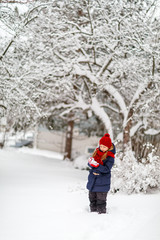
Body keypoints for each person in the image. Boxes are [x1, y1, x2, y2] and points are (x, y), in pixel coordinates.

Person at [86, 133, 116, 214]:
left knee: (101, 201)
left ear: (108, 147)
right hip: (93, 181)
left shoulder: (110, 157)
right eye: (101, 146)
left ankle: (101, 216)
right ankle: (92, 214)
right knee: (92, 199)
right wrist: (91, 163)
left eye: (104, 147)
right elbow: (91, 165)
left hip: (102, 182)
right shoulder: (97, 152)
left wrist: (97, 165)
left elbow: (106, 169)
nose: (102, 148)